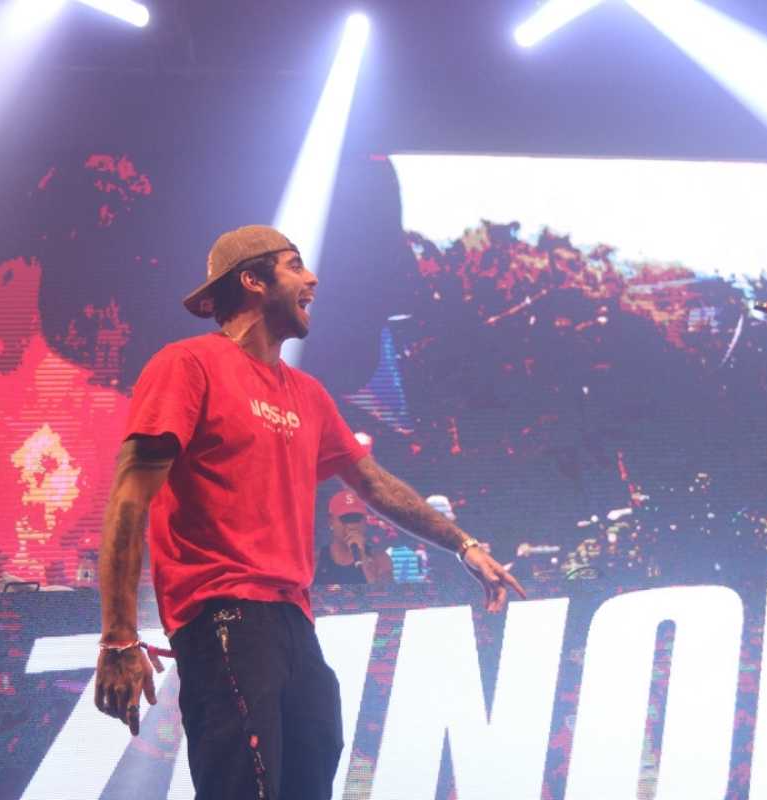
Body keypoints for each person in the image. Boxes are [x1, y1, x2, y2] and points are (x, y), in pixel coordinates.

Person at [93, 225, 526, 800]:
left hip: (295, 620)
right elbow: (129, 497)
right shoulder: (188, 364)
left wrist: (463, 545)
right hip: (222, 613)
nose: (313, 278)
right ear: (253, 280)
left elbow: (374, 484)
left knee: (314, 765)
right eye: (294, 265)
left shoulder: (307, 394)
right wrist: (118, 638)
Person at [314, 490, 392, 585]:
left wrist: (363, 556)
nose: (351, 525)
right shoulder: (315, 561)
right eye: (345, 519)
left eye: (356, 518)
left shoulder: (380, 559)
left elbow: (386, 592)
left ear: (364, 522)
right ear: (331, 521)